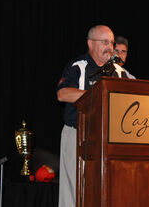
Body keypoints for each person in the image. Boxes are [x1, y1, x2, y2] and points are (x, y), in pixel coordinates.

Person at [56, 25, 132, 207]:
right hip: (77, 136)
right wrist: (98, 94)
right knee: (74, 191)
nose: (110, 47)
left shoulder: (119, 72)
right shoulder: (78, 66)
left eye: (112, 42)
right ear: (90, 44)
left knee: (105, 191)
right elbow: (63, 94)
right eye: (105, 42)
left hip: (108, 139)